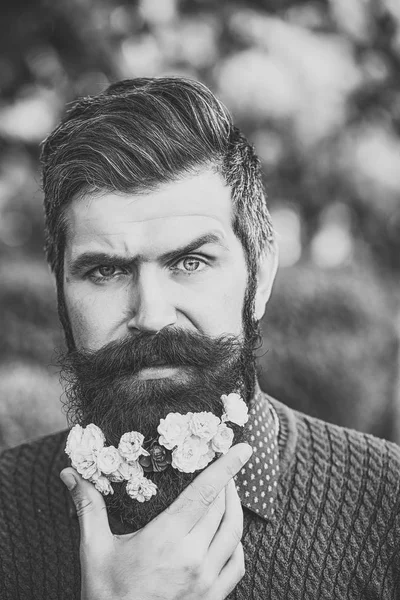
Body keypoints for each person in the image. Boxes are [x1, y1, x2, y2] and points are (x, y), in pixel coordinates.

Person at [0, 77, 399, 600]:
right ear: (60, 293)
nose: (152, 315)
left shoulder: (387, 506)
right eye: (104, 272)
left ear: (261, 275)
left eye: (190, 262)